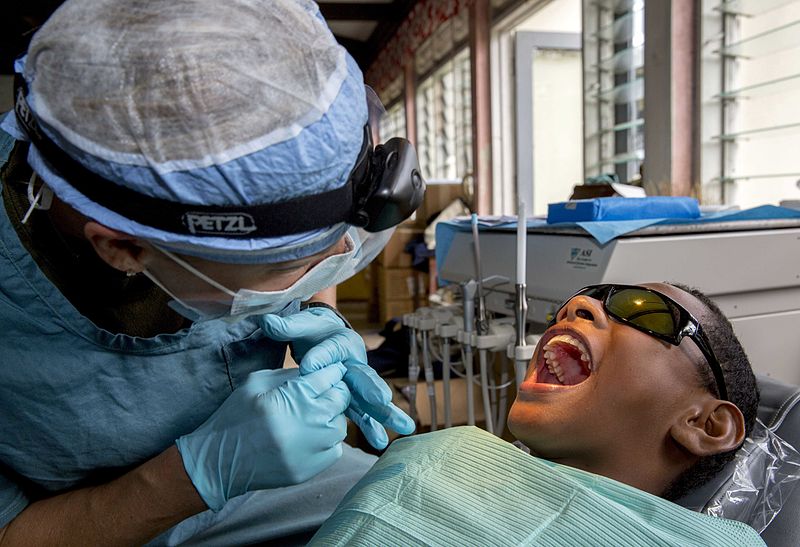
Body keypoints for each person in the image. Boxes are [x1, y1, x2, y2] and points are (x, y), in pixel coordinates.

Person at [0, 0, 422, 544]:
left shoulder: (236, 156)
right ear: (124, 250)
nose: (337, 258)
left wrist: (317, 311)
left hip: (268, 490)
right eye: (294, 265)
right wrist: (198, 475)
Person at [310, 282, 765, 545]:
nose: (575, 305)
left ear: (706, 425)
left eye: (640, 308)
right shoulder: (440, 456)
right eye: (585, 297)